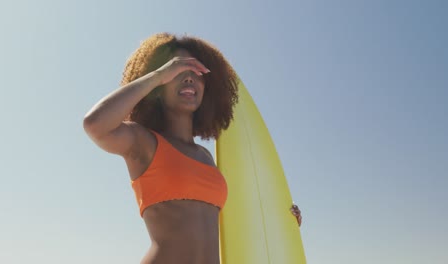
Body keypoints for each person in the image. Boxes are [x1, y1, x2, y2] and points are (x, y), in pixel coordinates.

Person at [83, 33, 302, 264]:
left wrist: (282, 221)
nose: (189, 78)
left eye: (197, 72)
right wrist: (157, 76)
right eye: (177, 71)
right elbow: (95, 124)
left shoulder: (206, 156)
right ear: (159, 86)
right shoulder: (143, 142)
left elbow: (233, 224)